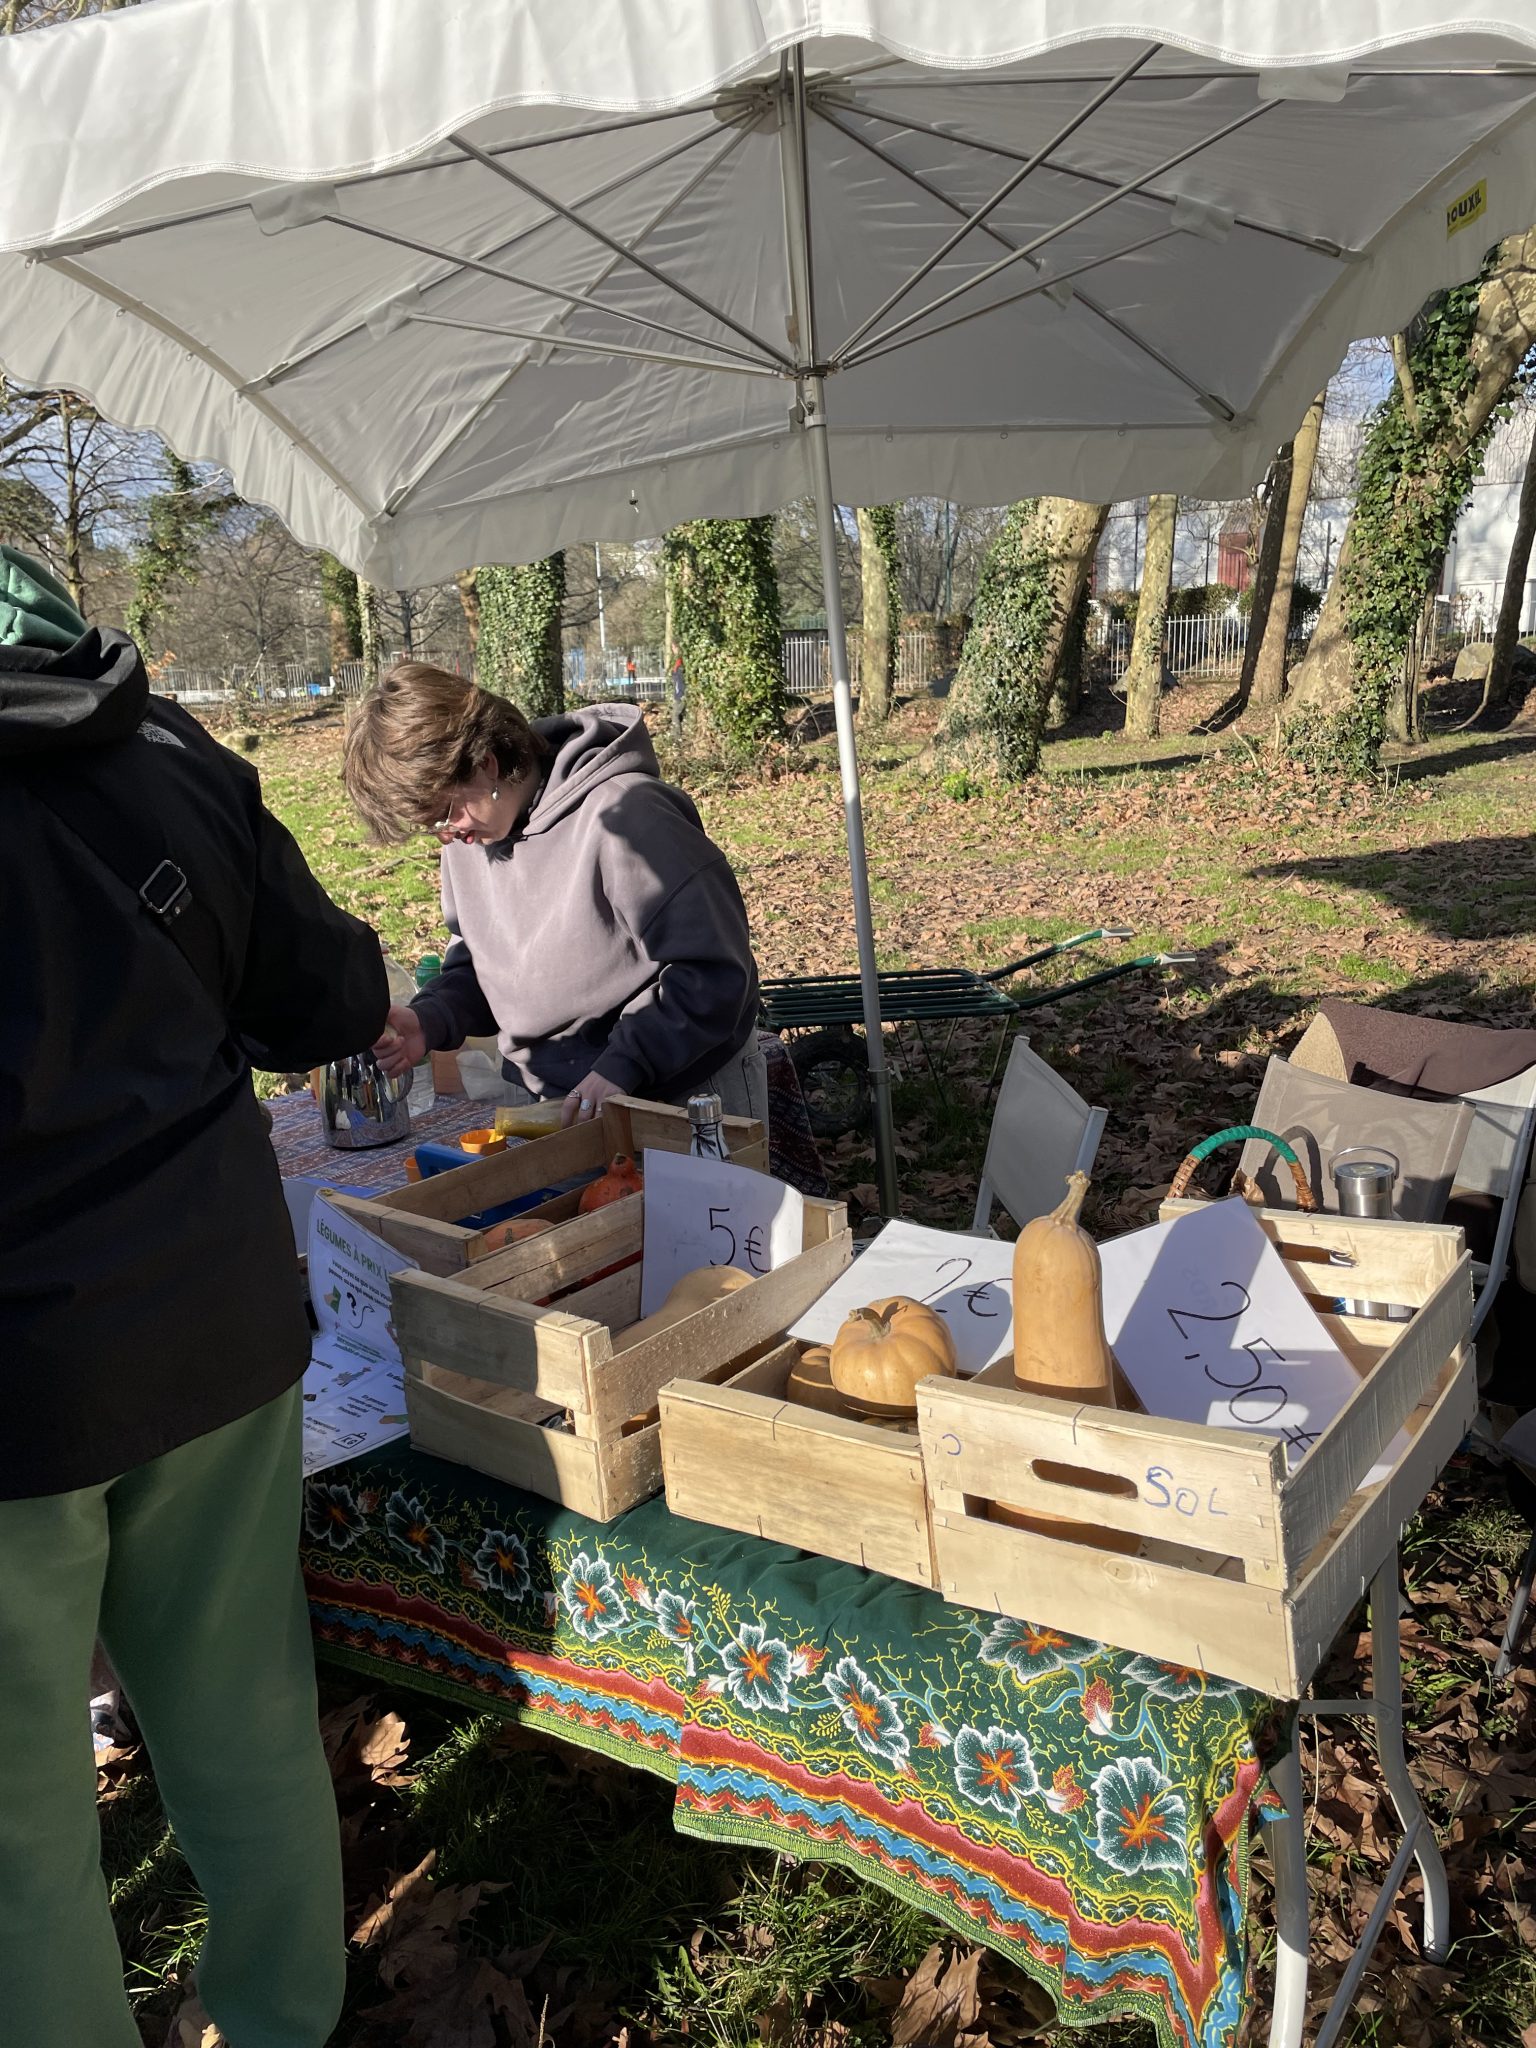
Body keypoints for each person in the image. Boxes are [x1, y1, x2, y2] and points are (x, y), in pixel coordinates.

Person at [0, 547, 389, 2047]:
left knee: (20, 1825)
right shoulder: (163, 742)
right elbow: (329, 998)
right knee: (240, 1711)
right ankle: (287, 2017)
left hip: (23, 1391)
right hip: (216, 1316)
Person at [342, 662, 768, 1130]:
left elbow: (714, 970)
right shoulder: (472, 834)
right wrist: (431, 1018)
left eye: (445, 813)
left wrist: (625, 1063)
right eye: (431, 826)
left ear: (488, 764)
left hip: (680, 1092)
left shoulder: (629, 816)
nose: (447, 835)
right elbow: (483, 965)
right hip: (552, 1098)